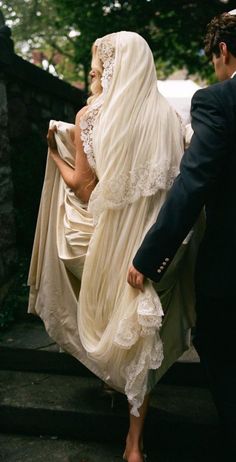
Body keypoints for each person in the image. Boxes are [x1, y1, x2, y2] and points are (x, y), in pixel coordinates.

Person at [28, 31, 200, 462]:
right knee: (145, 330)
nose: (96, 71)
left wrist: (55, 155)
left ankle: (126, 417)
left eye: (100, 63)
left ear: (113, 63)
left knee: (118, 322)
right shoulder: (171, 119)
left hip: (111, 241)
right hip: (158, 246)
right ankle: (134, 442)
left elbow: (85, 191)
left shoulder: (91, 117)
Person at [128, 11, 236, 458]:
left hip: (230, 263)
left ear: (223, 51)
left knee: (218, 343)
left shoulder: (218, 100)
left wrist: (148, 256)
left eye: (214, 58)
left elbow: (193, 183)